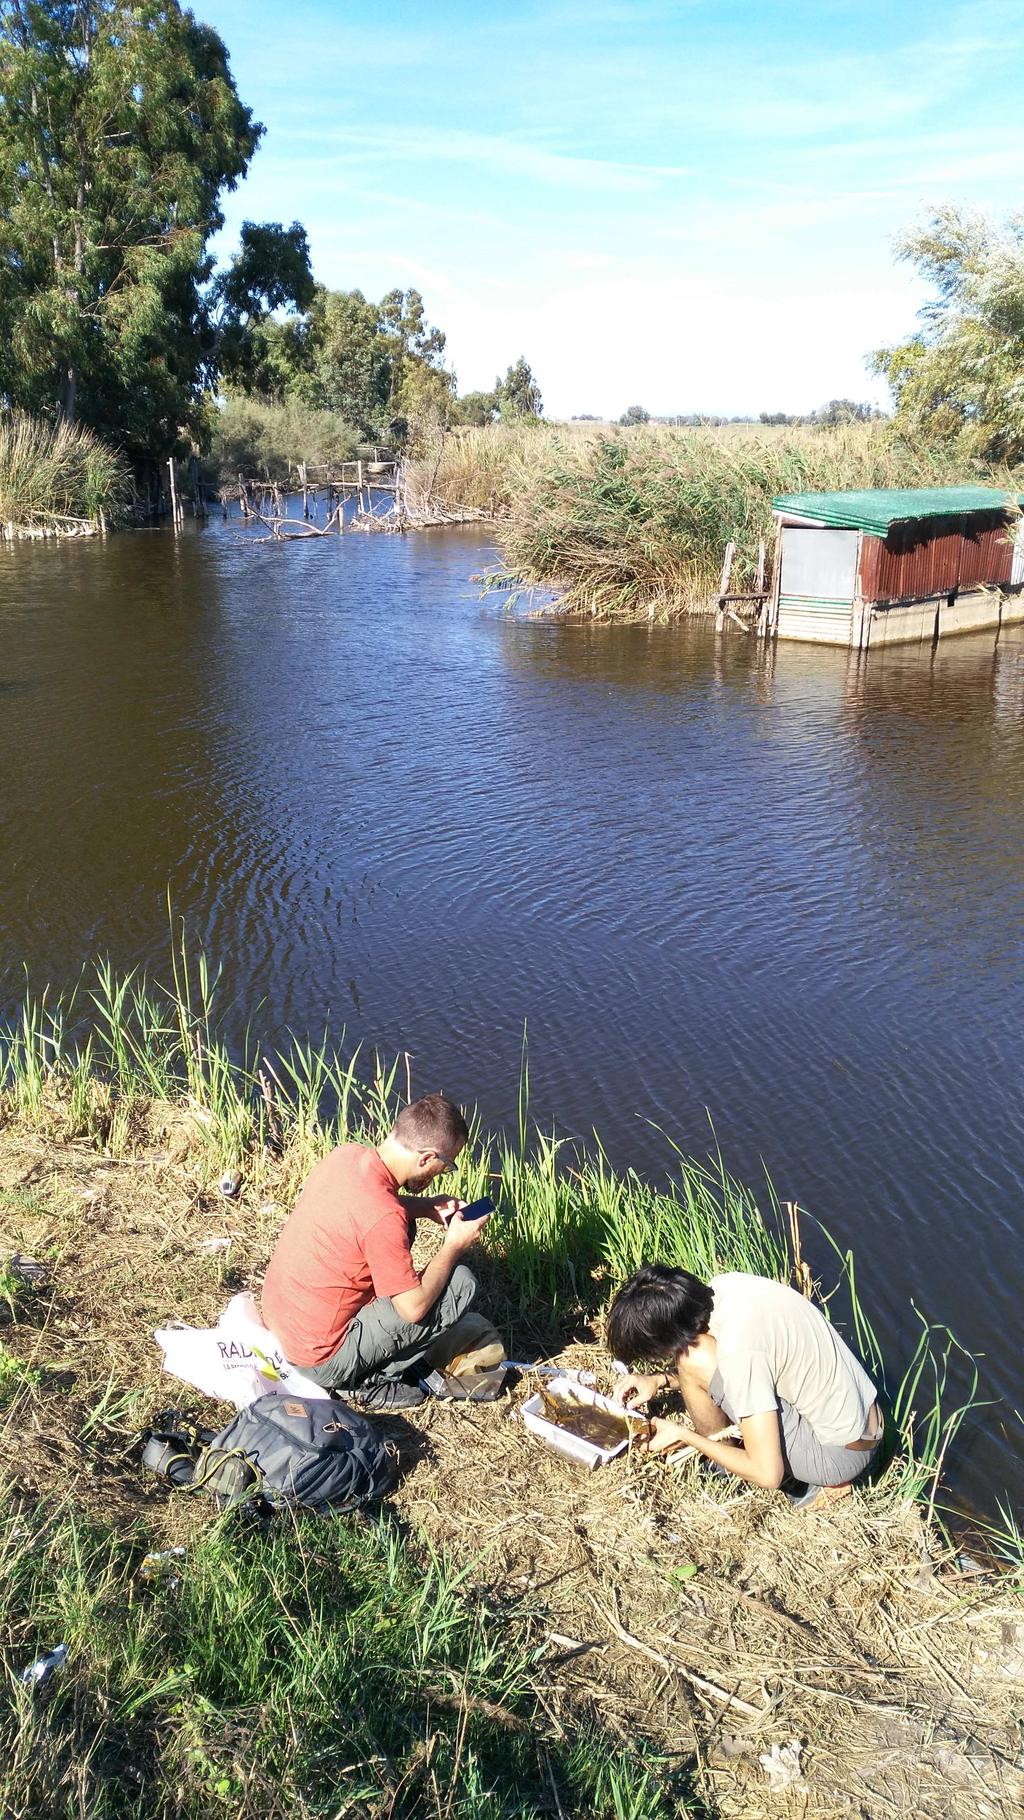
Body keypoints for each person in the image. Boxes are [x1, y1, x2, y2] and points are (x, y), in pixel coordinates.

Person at [261, 1092, 501, 1409]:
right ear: (427, 1158)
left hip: (281, 1318)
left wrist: (427, 1207)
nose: (442, 1173)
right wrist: (453, 1245)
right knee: (460, 1282)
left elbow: (371, 1209)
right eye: (446, 1165)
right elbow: (412, 1309)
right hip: (318, 1360)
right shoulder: (385, 1217)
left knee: (406, 1224)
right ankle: (366, 1380)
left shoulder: (346, 1156)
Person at [609, 1265, 883, 1506]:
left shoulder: (740, 1352)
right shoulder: (725, 1286)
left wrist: (685, 1435)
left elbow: (768, 1474)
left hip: (839, 1455)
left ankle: (727, 1472)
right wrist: (659, 1380)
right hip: (866, 1422)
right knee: (695, 1356)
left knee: (692, 1357)